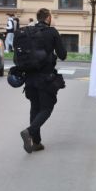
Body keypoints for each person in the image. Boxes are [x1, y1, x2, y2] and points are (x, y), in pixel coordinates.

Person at [19, 8, 67, 153]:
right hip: (45, 78)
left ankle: (36, 142)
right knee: (47, 108)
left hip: (29, 77)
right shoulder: (52, 32)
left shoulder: (28, 32)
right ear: (48, 18)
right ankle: (29, 131)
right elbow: (63, 55)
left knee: (35, 107)